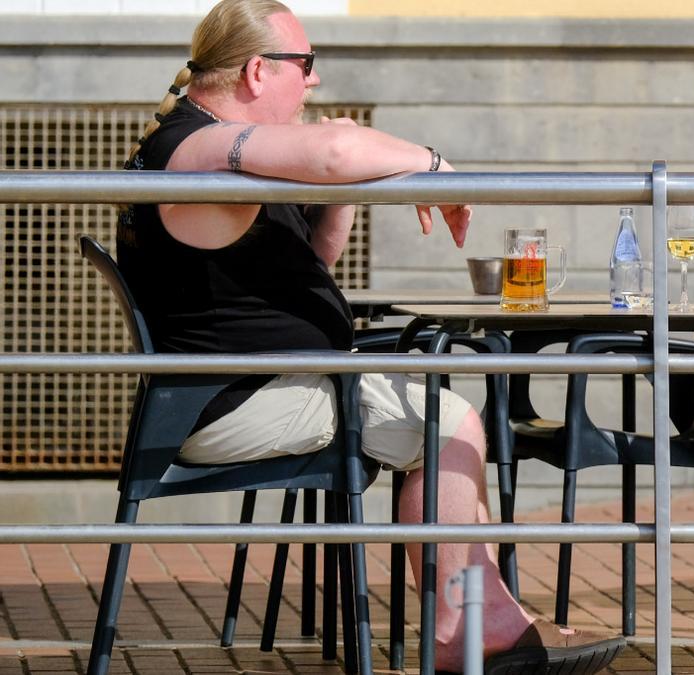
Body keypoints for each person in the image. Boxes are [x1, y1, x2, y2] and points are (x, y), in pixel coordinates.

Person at [115, 1, 624, 673]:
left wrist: (350, 187)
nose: (314, 84)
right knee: (449, 426)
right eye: (306, 66)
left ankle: (486, 611)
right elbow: (332, 150)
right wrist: (436, 166)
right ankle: (462, 626)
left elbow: (311, 262)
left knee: (439, 415)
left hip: (254, 387)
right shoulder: (198, 146)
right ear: (259, 72)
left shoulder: (215, 152)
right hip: (233, 402)